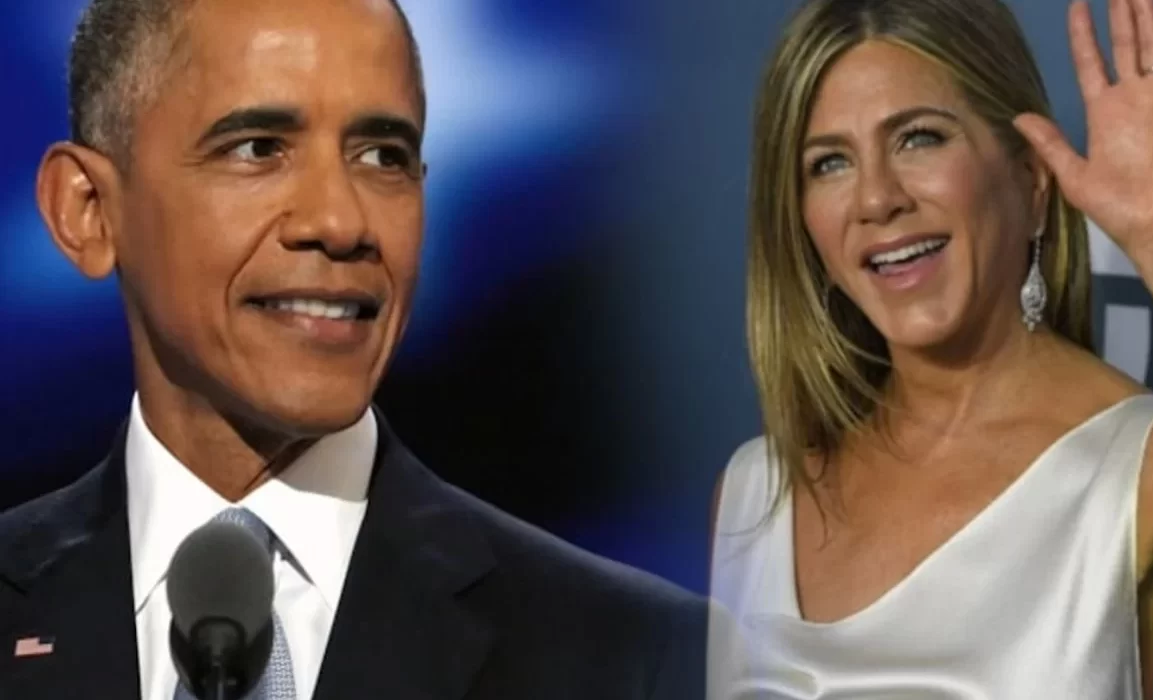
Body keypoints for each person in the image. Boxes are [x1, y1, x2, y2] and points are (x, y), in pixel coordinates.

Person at [0, 0, 707, 698]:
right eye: (258, 149)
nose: (340, 222)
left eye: (382, 157)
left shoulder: (640, 660)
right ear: (88, 211)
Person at [710, 0, 1153, 696]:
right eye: (830, 163)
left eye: (918, 138)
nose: (877, 199)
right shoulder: (754, 498)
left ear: (1031, 183)